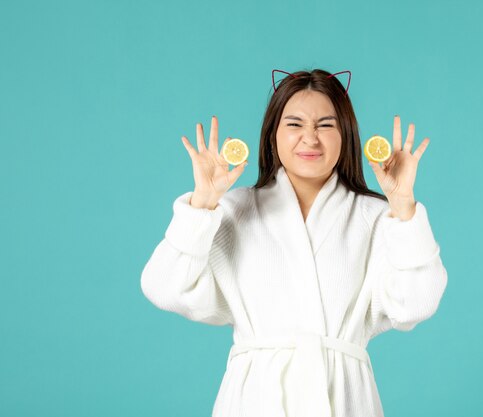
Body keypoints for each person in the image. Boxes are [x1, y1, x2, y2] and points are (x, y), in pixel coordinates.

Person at [140, 68, 448, 417]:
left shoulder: (380, 217)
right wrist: (201, 205)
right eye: (295, 124)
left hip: (344, 401)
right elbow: (163, 287)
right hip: (255, 401)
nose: (310, 138)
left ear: (346, 134)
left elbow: (416, 305)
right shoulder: (233, 211)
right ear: (272, 134)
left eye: (325, 125)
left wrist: (404, 205)